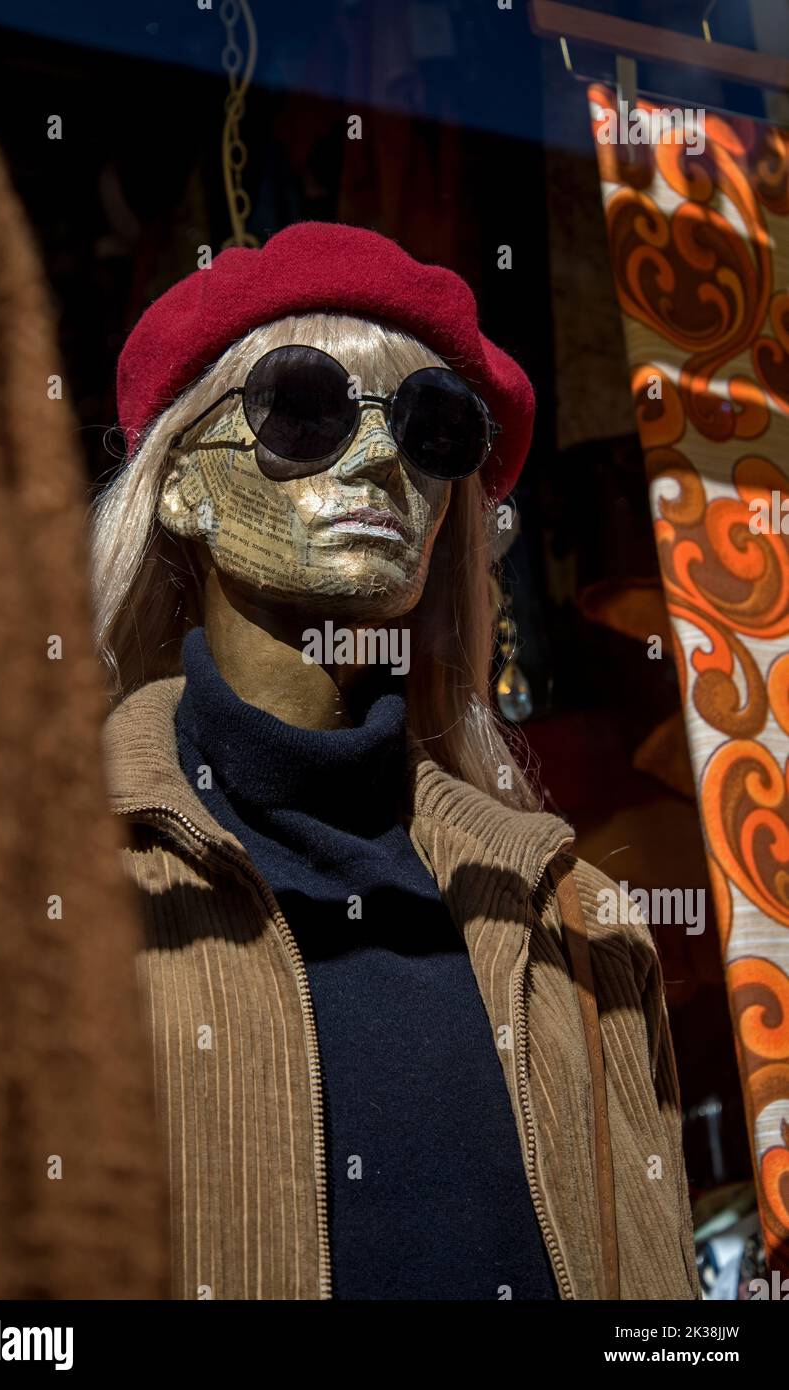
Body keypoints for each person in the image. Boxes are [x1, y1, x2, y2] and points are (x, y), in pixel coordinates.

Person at [92, 221, 699, 1301]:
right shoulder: (42, 900)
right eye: (305, 408)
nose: (380, 456)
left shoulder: (577, 926)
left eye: (432, 427)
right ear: (182, 485)